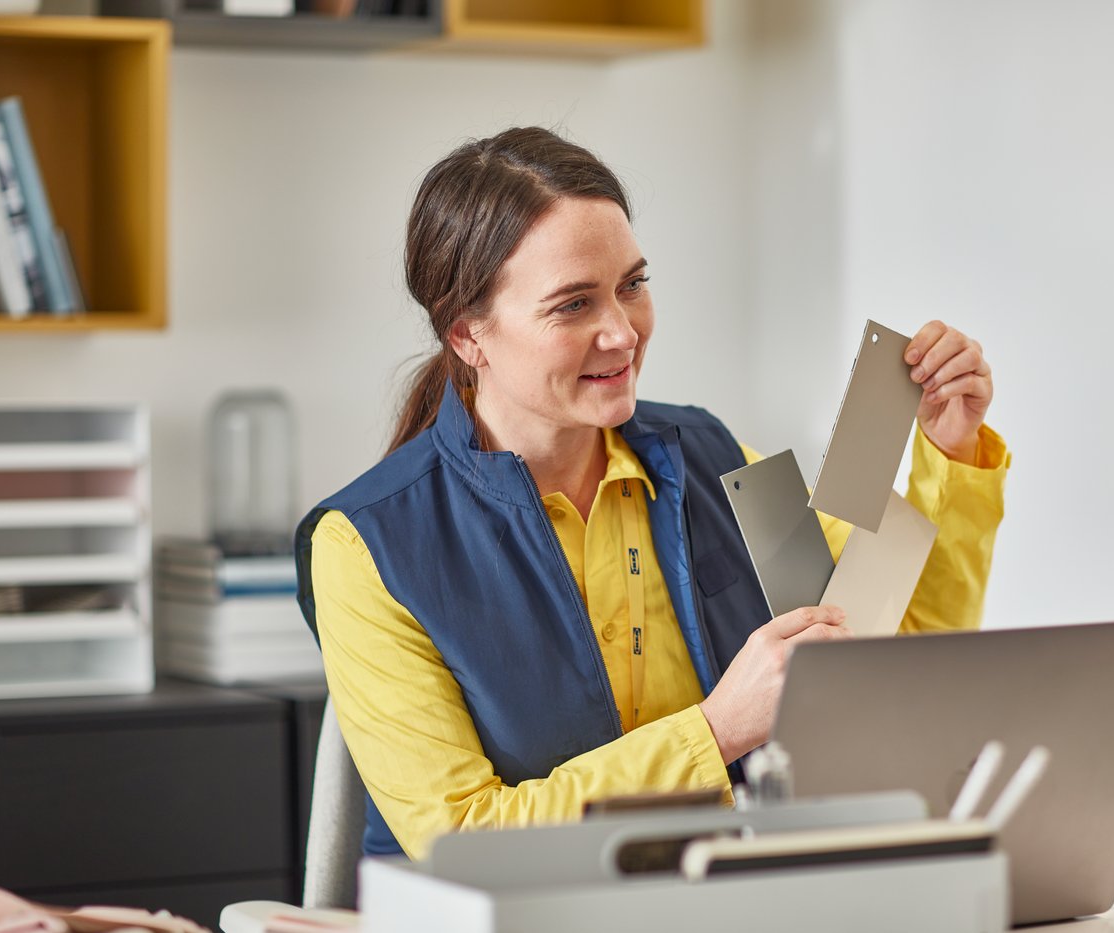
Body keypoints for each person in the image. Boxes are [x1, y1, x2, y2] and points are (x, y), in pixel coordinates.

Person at [294, 127, 1010, 861]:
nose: (622, 333)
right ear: (470, 334)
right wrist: (718, 729)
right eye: (573, 304)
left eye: (632, 285)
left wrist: (946, 450)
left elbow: (896, 664)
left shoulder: (718, 459)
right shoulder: (365, 547)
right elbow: (465, 838)